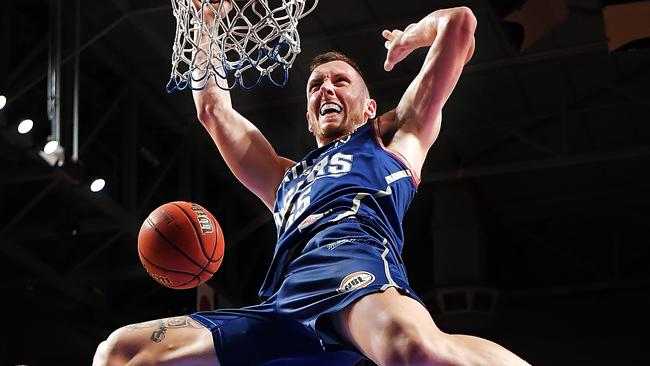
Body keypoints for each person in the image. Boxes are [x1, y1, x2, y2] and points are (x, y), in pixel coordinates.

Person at [93, 1, 531, 365]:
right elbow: (213, 110)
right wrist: (206, 26)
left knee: (412, 349)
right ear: (308, 115)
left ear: (368, 106)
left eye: (341, 81)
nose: (327, 89)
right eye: (316, 85)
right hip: (282, 308)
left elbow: (459, 24)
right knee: (120, 350)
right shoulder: (283, 178)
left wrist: (411, 37)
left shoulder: (394, 138)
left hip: (356, 281)